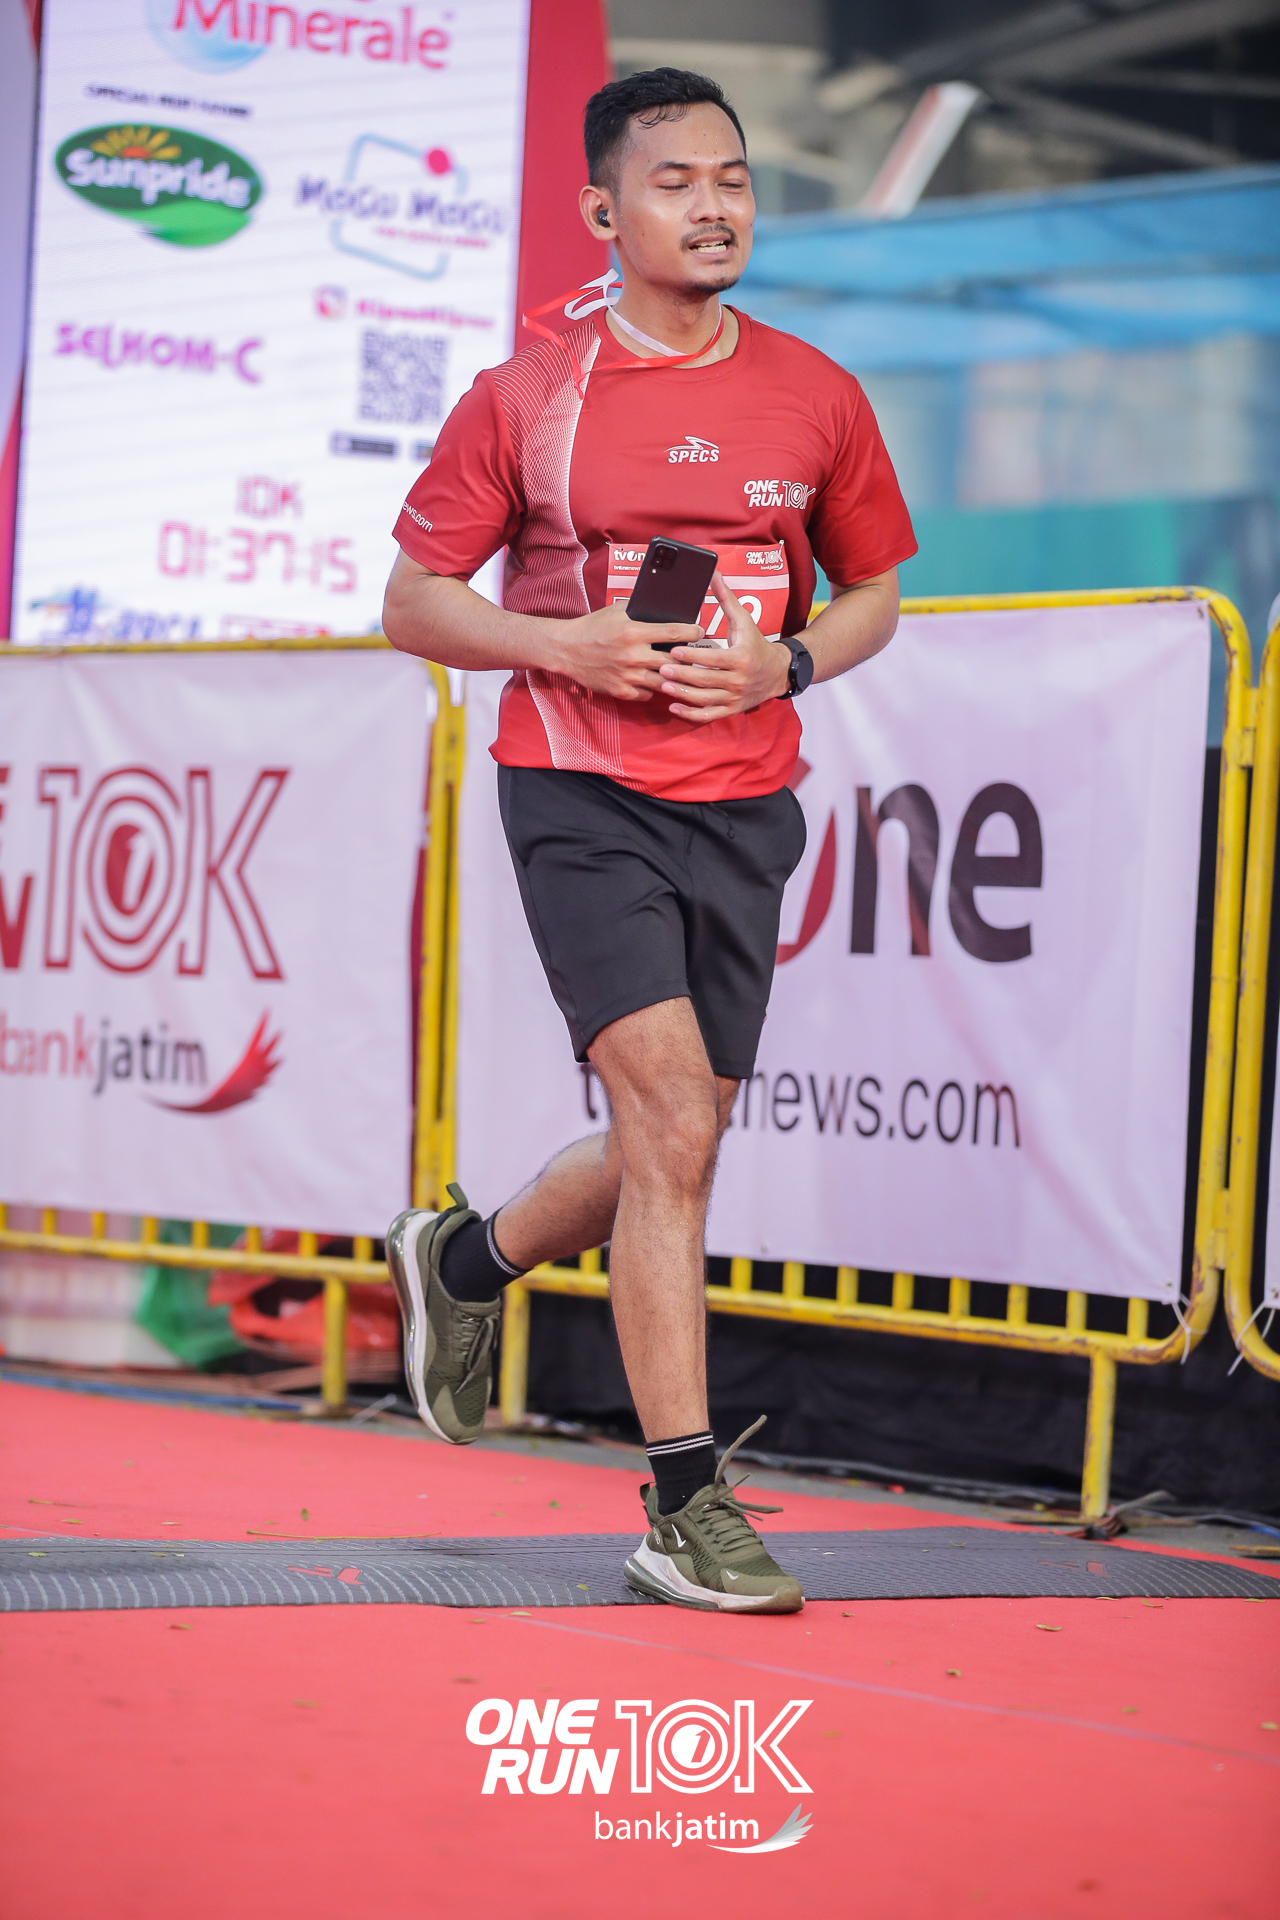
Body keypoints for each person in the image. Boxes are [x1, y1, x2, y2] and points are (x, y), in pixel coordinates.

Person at [382, 67, 916, 1614]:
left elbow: (876, 593)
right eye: (676, 182)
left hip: (745, 799)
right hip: (578, 787)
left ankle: (468, 1262)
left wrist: (785, 665)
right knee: (675, 1116)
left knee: (667, 1140)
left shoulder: (818, 392)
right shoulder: (529, 396)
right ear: (603, 212)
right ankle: (686, 1503)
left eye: (733, 178)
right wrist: (565, 646)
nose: (714, 205)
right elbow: (415, 603)